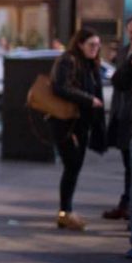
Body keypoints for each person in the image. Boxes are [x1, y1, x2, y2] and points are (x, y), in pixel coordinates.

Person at [49, 28, 107, 231]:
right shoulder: (69, 60)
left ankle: (66, 212)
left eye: (98, 45)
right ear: (80, 44)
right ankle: (65, 212)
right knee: (72, 165)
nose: (95, 49)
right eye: (91, 45)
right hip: (66, 123)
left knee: (74, 167)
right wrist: (89, 99)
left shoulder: (90, 64)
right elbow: (60, 87)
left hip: (80, 123)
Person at [104, 16, 132, 220]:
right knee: (129, 165)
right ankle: (127, 205)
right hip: (125, 115)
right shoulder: (123, 52)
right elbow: (119, 81)